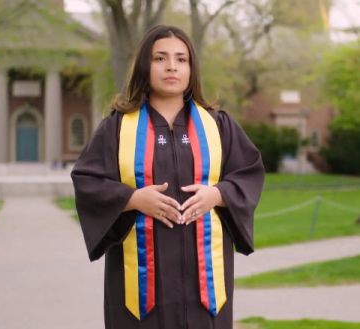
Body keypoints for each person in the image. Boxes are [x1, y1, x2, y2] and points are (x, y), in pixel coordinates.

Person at [70, 25, 265, 329]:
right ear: (144, 67)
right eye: (160, 58)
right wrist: (132, 198)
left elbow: (248, 172)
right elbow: (87, 181)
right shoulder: (118, 128)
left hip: (205, 284)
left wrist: (218, 194)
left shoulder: (217, 126)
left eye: (181, 59)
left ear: (191, 69)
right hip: (139, 287)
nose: (172, 66)